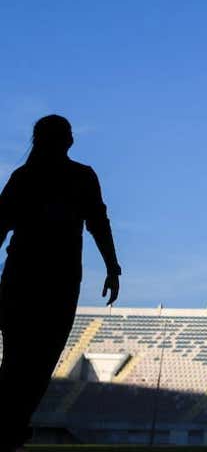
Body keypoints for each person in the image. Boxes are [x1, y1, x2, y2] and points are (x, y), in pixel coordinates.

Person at [0, 115, 121, 452]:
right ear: (64, 140)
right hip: (55, 282)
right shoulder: (77, 177)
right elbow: (99, 223)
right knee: (36, 360)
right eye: (67, 134)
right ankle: (11, 427)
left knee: (20, 359)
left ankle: (11, 426)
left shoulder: (26, 177)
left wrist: (113, 267)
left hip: (26, 280)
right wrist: (112, 267)